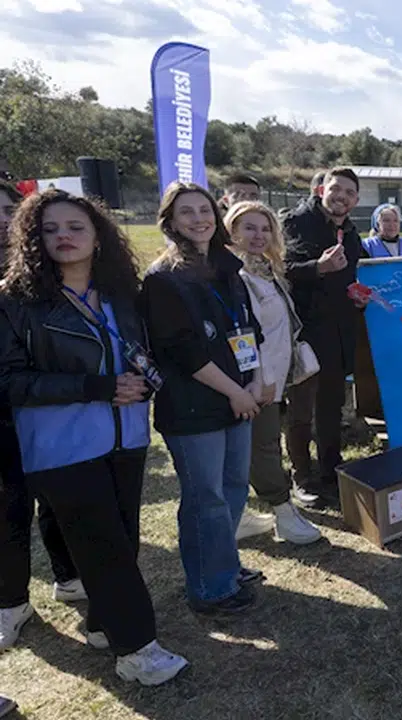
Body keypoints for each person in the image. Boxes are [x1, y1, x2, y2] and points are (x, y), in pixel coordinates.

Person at [0, 189, 187, 683]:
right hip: (62, 448)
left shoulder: (122, 294)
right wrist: (96, 388)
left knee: (123, 540)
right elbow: (9, 381)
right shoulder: (15, 302)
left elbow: (142, 353)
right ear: (34, 240)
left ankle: (104, 624)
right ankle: (137, 651)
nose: (63, 236)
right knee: (104, 546)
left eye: (75, 227)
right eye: (50, 229)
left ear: (98, 236)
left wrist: (145, 380)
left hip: (127, 439)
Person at [141, 182, 267, 616]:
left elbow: (249, 330)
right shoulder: (162, 279)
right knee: (205, 499)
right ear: (171, 222)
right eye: (186, 212)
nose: (198, 219)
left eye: (204, 210)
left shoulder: (227, 268)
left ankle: (222, 565)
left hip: (239, 398)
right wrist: (236, 391)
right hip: (195, 406)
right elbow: (183, 351)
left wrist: (255, 381)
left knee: (233, 489)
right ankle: (210, 588)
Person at [0, 181, 85, 652]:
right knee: (10, 508)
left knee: (58, 499)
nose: (1, 220)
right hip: (5, 412)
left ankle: (68, 575)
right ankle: (11, 602)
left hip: (50, 408)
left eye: (8, 209)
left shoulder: (49, 272)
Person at [224, 202, 324, 545]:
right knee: (264, 446)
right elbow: (243, 335)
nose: (259, 235)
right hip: (257, 381)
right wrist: (259, 378)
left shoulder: (268, 272)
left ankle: (236, 515)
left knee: (251, 446)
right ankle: (283, 512)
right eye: (249, 228)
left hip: (275, 378)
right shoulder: (236, 278)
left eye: (265, 228)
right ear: (232, 231)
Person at [282, 167, 369, 507]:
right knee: (301, 408)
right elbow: (280, 269)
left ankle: (331, 468)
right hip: (304, 333)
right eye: (336, 189)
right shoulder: (295, 222)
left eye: (349, 193)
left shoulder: (352, 233)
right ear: (321, 190)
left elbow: (355, 275)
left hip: (338, 332)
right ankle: (302, 476)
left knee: (331, 405)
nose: (341, 197)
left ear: (355, 201)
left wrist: (359, 296)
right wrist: (318, 267)